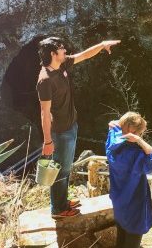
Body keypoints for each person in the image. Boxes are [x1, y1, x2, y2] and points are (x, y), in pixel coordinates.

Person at [37, 37, 121, 218]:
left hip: (70, 125)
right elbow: (44, 113)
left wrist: (101, 45)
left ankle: (62, 201)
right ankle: (58, 209)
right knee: (60, 169)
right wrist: (48, 141)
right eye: (61, 48)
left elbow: (84, 55)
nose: (65, 50)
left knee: (66, 167)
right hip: (60, 132)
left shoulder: (62, 65)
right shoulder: (45, 80)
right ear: (52, 54)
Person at [106, 112, 152, 248]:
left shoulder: (111, 147)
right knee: (132, 241)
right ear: (133, 133)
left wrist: (115, 125)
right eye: (140, 133)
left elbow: (115, 129)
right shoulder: (136, 155)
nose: (141, 135)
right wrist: (139, 141)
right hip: (135, 204)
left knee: (121, 237)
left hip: (119, 201)